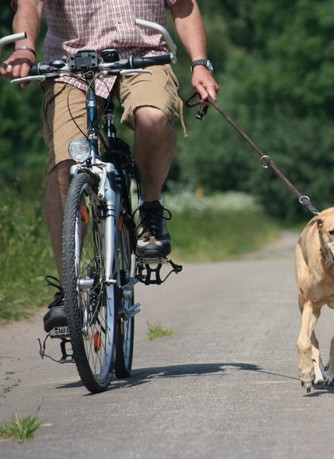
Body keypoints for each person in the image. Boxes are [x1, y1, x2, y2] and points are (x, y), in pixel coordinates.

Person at [0, 0, 219, 332]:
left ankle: (150, 210)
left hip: (145, 57)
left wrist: (200, 64)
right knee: (67, 163)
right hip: (72, 65)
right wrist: (25, 48)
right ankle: (69, 288)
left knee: (154, 117)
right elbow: (30, 5)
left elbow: (184, 7)